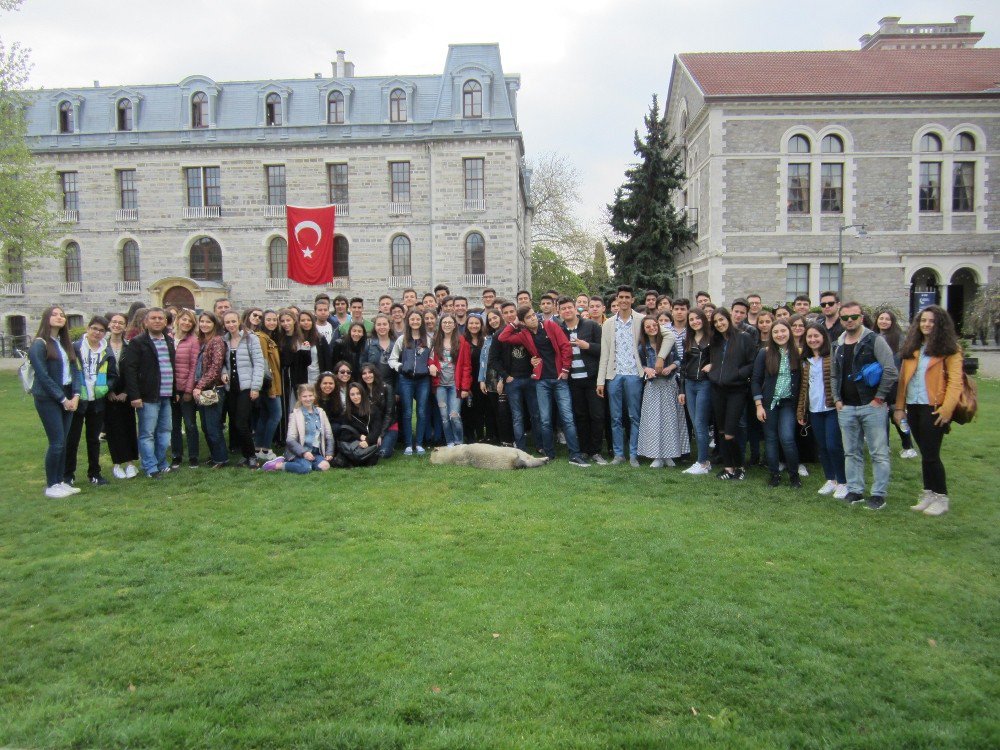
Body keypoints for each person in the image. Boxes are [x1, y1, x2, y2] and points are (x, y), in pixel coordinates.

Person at [498, 306, 590, 467]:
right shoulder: (524, 334)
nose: (533, 318)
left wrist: (565, 369)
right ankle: (549, 453)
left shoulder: (550, 325)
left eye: (534, 315)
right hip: (541, 381)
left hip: (559, 378)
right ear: (524, 322)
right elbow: (503, 337)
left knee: (567, 418)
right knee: (545, 420)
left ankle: (574, 455)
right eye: (528, 317)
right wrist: (515, 322)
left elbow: (565, 346)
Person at [895, 305, 964, 517]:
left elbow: (955, 382)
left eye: (931, 321)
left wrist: (947, 409)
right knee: (925, 453)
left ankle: (941, 497)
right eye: (923, 320)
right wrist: (899, 408)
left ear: (939, 324)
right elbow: (903, 380)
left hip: (934, 407)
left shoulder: (950, 349)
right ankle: (928, 493)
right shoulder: (913, 347)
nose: (926, 324)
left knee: (932, 455)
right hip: (914, 407)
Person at [831, 301, 899, 510]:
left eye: (853, 317)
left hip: (871, 406)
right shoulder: (838, 344)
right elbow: (835, 374)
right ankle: (855, 490)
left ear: (861, 317)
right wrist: (837, 399)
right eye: (845, 318)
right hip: (847, 408)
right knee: (851, 451)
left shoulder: (874, 340)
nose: (849, 321)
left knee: (878, 452)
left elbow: (890, 370)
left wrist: (879, 398)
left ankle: (878, 494)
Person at [30, 306, 82, 498]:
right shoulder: (40, 344)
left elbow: (75, 370)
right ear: (46, 318)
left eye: (62, 315)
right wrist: (62, 399)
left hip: (68, 395)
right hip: (48, 398)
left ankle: (60, 481)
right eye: (55, 314)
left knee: (64, 441)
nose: (59, 317)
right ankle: (51, 484)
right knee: (57, 442)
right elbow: (43, 376)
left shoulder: (64, 343)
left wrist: (75, 395)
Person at [120, 308, 175, 479]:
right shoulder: (137, 342)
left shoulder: (169, 341)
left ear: (165, 322)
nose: (157, 321)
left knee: (165, 432)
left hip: (166, 394)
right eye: (153, 318)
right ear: (146, 322)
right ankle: (150, 466)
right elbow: (130, 369)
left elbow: (171, 367)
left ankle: (161, 462)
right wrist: (135, 395)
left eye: (161, 318)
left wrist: (175, 391)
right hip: (147, 396)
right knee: (147, 433)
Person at [597, 286, 646, 466]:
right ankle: (619, 454)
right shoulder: (609, 323)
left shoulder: (641, 320)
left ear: (632, 299)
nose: (623, 300)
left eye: (627, 297)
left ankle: (634, 453)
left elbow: (664, 335)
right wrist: (601, 381)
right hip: (615, 375)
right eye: (621, 297)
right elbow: (605, 353)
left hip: (634, 374)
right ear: (616, 300)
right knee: (615, 417)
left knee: (634, 416)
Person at [798, 323, 847, 499]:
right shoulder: (806, 361)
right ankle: (830, 479)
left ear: (823, 337)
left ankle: (843, 482)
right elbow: (804, 389)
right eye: (809, 337)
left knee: (834, 445)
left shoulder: (832, 357)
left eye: (816, 336)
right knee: (823, 447)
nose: (813, 340)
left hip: (831, 408)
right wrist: (801, 412)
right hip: (814, 409)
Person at [707, 307, 757, 480]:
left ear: (728, 319)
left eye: (722, 320)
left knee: (731, 432)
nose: (719, 324)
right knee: (721, 432)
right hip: (717, 389)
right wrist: (711, 371)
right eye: (716, 322)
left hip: (736, 390)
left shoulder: (744, 338)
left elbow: (752, 363)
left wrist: (738, 374)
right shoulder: (715, 341)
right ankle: (728, 468)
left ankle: (740, 467)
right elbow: (710, 360)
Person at [63, 316, 113, 487]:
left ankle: (94, 473)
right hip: (78, 399)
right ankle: (68, 474)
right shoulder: (75, 348)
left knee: (93, 439)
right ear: (88, 328)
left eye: (101, 330)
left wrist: (106, 388)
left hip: (97, 400)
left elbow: (113, 375)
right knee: (72, 439)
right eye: (94, 328)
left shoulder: (107, 351)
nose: (97, 333)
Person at [752, 320, 802, 488]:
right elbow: (756, 381)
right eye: (776, 332)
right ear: (771, 335)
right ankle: (774, 474)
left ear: (789, 332)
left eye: (783, 331)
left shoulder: (798, 353)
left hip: (788, 403)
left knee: (787, 438)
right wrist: (758, 405)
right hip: (768, 403)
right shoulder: (764, 353)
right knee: (771, 439)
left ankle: (794, 475)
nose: (780, 335)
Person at [637, 317, 688, 467]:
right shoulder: (642, 347)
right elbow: (641, 365)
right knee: (654, 422)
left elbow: (678, 361)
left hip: (669, 384)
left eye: (654, 325)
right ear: (644, 330)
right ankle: (656, 455)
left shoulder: (668, 344)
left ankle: (669, 455)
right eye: (648, 326)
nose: (652, 328)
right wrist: (647, 370)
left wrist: (669, 368)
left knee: (670, 421)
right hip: (653, 387)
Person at [559, 296, 605, 464]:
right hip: (572, 380)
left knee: (597, 415)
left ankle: (596, 451)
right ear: (560, 312)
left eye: (569, 307)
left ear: (575, 308)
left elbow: (604, 350)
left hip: (592, 377)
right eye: (563, 308)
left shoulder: (591, 325)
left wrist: (588, 346)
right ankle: (584, 449)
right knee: (580, 416)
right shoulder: (559, 329)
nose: (567, 311)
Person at [492, 301, 541, 455]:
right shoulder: (499, 334)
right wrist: (505, 376)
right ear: (502, 315)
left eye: (512, 311)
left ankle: (540, 445)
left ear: (517, 313)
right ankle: (520, 448)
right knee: (517, 416)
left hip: (530, 378)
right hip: (513, 381)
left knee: (536, 414)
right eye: (505, 313)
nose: (509, 315)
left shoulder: (527, 329)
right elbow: (493, 359)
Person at [222, 310, 265, 469]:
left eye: (233, 321)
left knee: (241, 422)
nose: (231, 325)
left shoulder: (250, 339)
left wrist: (255, 387)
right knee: (237, 422)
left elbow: (259, 364)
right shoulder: (224, 340)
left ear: (239, 321)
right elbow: (222, 363)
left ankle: (252, 455)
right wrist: (223, 373)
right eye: (228, 322)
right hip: (231, 387)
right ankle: (246, 455)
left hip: (246, 386)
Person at [389, 310, 436, 455]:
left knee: (421, 411)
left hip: (423, 380)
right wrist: (400, 367)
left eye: (417, 319)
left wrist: (429, 367)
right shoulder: (402, 339)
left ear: (421, 321)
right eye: (412, 319)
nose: (415, 322)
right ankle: (409, 444)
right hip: (406, 380)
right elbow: (392, 359)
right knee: (407, 412)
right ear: (408, 321)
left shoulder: (428, 340)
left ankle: (420, 443)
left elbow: (432, 359)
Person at [875, 309, 917, 459]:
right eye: (881, 318)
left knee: (896, 413)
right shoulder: (875, 336)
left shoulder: (898, 338)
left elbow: (901, 362)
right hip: (878, 382)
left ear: (892, 322)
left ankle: (908, 445)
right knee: (881, 415)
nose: (884, 321)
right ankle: (884, 446)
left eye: (887, 319)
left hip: (894, 382)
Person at [267, 384, 335, 474]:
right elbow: (290, 439)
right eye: (304, 396)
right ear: (300, 397)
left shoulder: (321, 412)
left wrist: (329, 452)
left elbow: (329, 435)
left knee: (325, 466)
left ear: (314, 396)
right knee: (305, 469)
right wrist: (304, 453)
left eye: (310, 395)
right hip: (298, 452)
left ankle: (308, 464)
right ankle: (278, 465)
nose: (308, 399)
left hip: (315, 452)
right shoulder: (295, 414)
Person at [103, 312, 139, 479]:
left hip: (126, 393)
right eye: (114, 322)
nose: (117, 325)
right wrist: (108, 391)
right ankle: (117, 463)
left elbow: (133, 370)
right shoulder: (103, 347)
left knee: (129, 427)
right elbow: (99, 371)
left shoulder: (129, 346)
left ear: (125, 326)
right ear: (109, 325)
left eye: (120, 323)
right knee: (113, 429)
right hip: (107, 393)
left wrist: (126, 392)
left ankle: (131, 463)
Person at [191, 311, 228, 468]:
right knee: (206, 426)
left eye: (208, 322)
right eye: (202, 322)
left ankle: (221, 458)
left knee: (213, 426)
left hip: (213, 389)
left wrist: (199, 386)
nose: (204, 325)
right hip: (203, 389)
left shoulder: (217, 341)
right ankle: (215, 455)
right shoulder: (203, 341)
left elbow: (215, 368)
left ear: (215, 324)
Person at [678, 307, 713, 475]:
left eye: (697, 318)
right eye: (691, 319)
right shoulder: (689, 339)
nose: (694, 322)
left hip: (705, 384)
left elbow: (722, 358)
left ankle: (702, 462)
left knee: (700, 424)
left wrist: (712, 365)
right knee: (695, 423)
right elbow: (683, 366)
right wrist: (682, 390)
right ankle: (703, 460)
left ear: (703, 319)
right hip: (690, 385)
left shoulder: (712, 338)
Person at [430, 313, 471, 446]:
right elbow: (430, 358)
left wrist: (465, 387)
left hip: (455, 384)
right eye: (444, 323)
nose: (447, 325)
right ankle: (450, 442)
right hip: (440, 384)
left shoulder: (462, 342)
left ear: (454, 325)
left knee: (454, 415)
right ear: (440, 325)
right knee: (444, 417)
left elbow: (466, 366)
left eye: (449, 323)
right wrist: (430, 365)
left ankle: (459, 442)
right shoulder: (435, 340)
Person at [169, 309, 201, 469]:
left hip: (186, 388)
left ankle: (193, 456)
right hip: (170, 389)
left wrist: (189, 390)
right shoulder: (168, 339)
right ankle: (176, 455)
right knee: (174, 425)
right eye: (184, 320)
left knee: (190, 424)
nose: (186, 323)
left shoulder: (193, 341)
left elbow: (194, 366)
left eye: (190, 321)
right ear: (178, 320)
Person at [480, 308, 513, 445]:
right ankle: (498, 439)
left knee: (504, 411)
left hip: (502, 378)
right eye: (490, 319)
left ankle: (508, 439)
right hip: (489, 378)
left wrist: (501, 379)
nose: (493, 321)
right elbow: (483, 360)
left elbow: (504, 360)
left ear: (501, 317)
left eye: (495, 318)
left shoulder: (506, 335)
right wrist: (481, 379)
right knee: (493, 411)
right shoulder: (488, 338)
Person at [336, 383, 382, 467]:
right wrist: (359, 437)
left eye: (358, 393)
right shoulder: (347, 414)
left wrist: (367, 441)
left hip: (370, 442)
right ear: (349, 396)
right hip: (355, 443)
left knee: (371, 459)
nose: (355, 397)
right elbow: (345, 434)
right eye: (352, 394)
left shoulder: (373, 409)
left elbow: (376, 429)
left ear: (362, 394)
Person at [360, 364, 397, 458]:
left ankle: (388, 443)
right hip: (372, 428)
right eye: (364, 373)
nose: (367, 375)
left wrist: (381, 434)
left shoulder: (387, 388)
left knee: (383, 453)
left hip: (388, 426)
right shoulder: (361, 391)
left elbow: (389, 413)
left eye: (370, 372)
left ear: (375, 373)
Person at [461, 314, 488, 442]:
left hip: (482, 380)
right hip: (468, 380)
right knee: (468, 409)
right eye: (471, 323)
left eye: (477, 323)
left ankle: (481, 435)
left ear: (481, 325)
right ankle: (469, 435)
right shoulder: (462, 340)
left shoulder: (485, 340)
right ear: (467, 325)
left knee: (481, 408)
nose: (474, 326)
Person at [360, 313, 396, 387]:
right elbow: (362, 365)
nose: (382, 327)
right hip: (373, 385)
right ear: (375, 327)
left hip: (391, 385)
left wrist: (397, 390)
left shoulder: (396, 344)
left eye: (384, 324)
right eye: (379, 324)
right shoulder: (368, 343)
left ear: (389, 326)